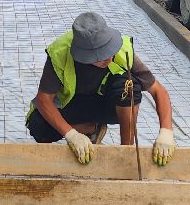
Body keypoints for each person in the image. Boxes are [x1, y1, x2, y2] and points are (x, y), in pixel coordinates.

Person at [27, 11, 175, 166]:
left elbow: (159, 91)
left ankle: (126, 151)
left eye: (109, 52)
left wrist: (166, 131)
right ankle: (90, 129)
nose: (109, 58)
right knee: (39, 127)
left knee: (128, 87)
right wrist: (72, 135)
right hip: (73, 106)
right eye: (102, 56)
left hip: (107, 105)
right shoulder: (60, 52)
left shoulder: (122, 49)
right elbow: (43, 99)